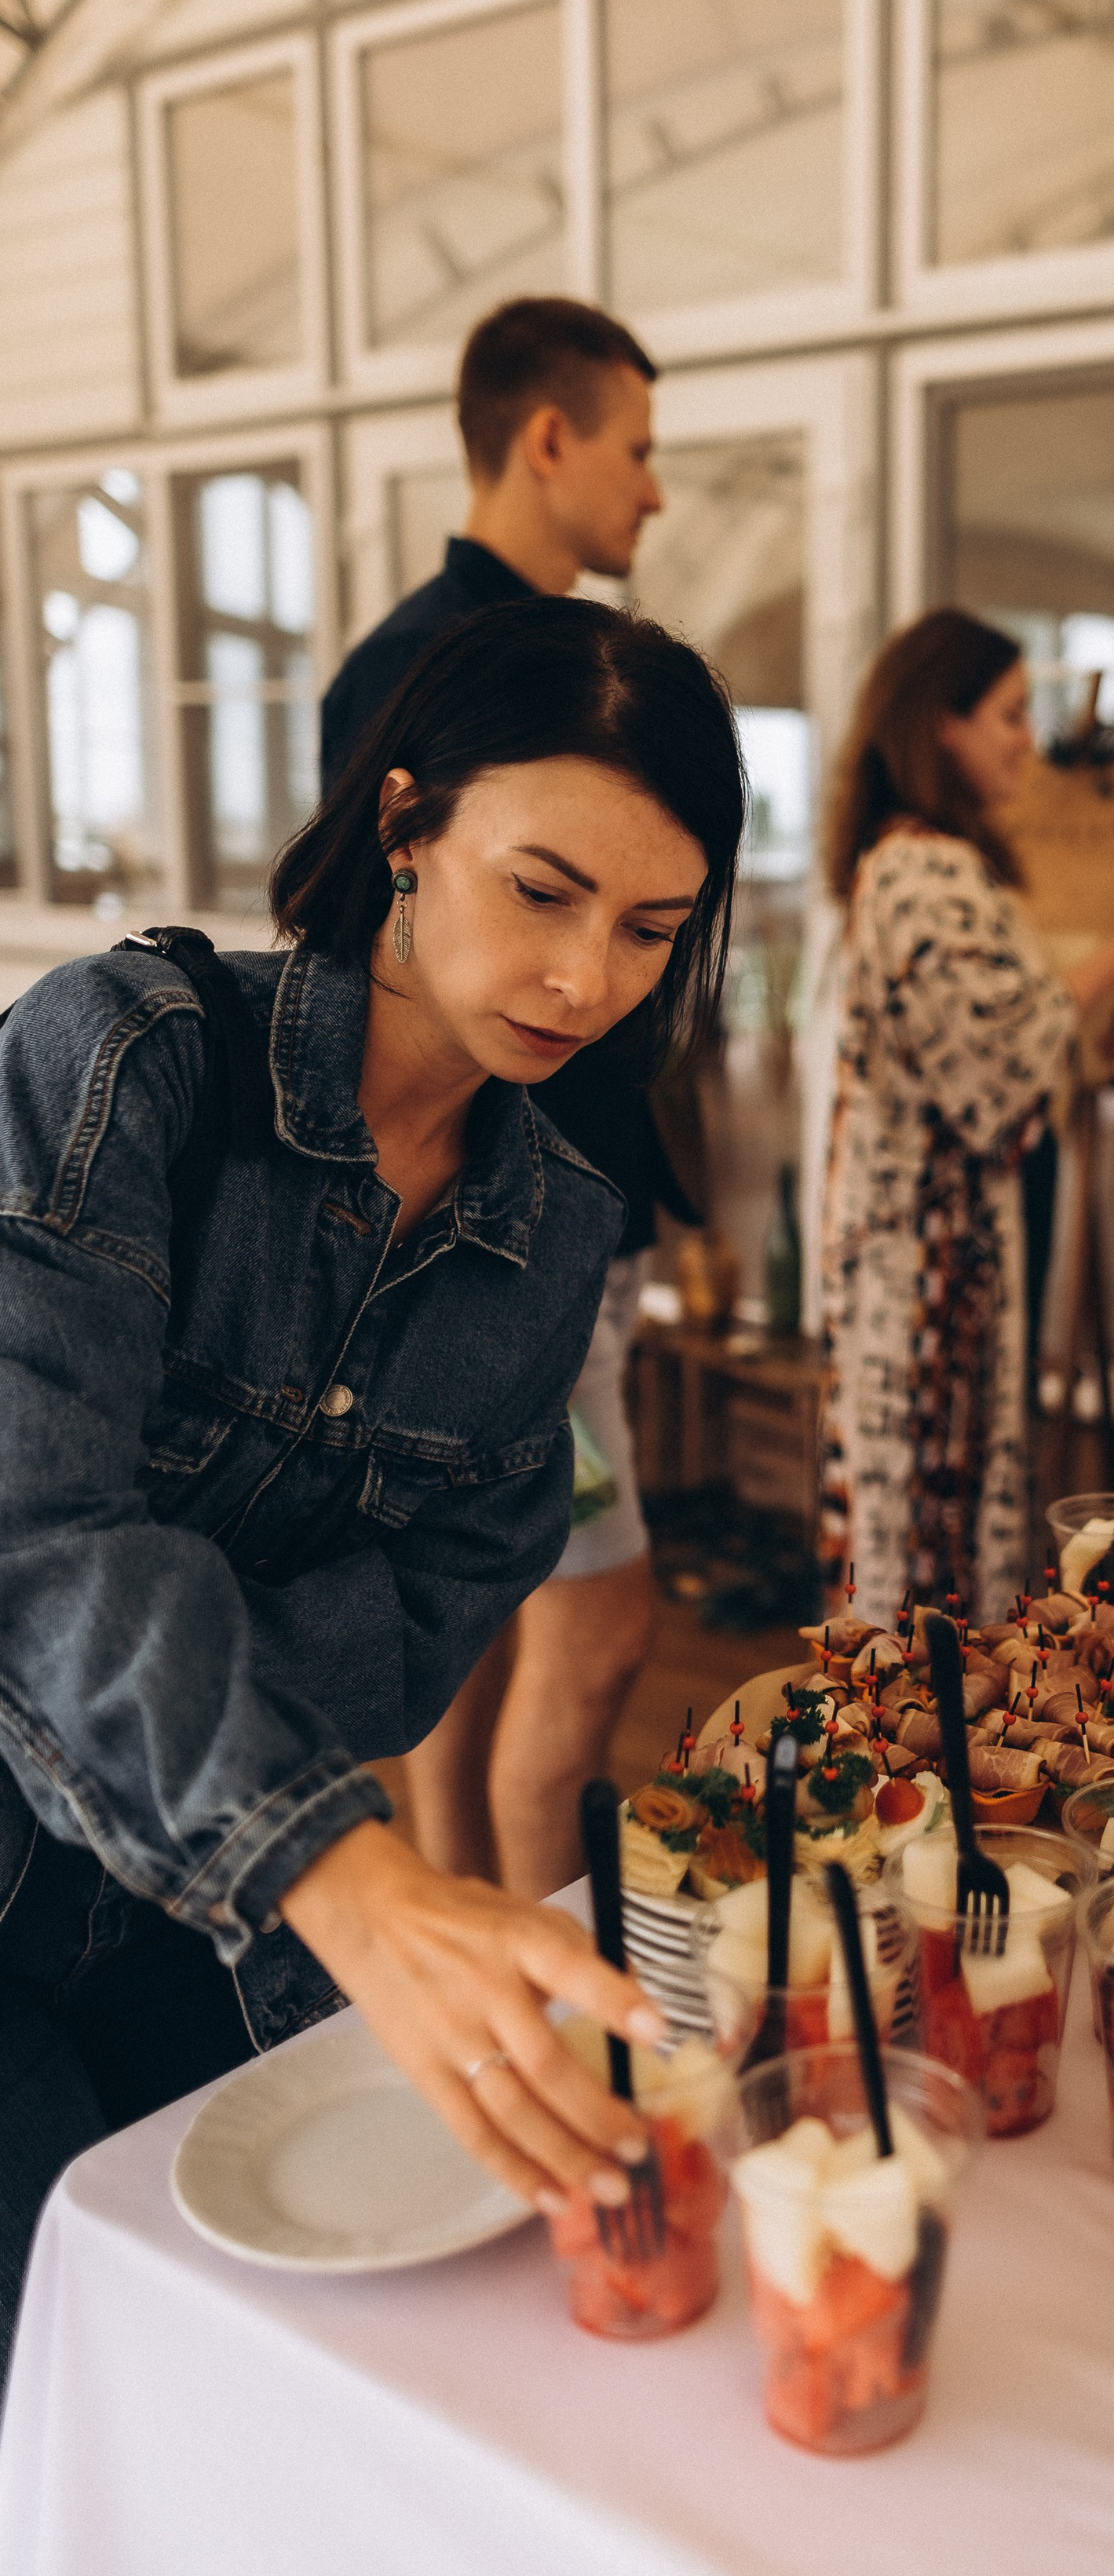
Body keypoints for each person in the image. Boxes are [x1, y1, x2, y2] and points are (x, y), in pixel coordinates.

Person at [0, 597, 744, 2377]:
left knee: (274, 2351)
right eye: (541, 889)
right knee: (61, 2369)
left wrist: (184, 1704)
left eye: (654, 927)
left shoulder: (553, 1227)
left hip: (196, 1904)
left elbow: (438, 1601)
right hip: (195, 1871)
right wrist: (325, 1849)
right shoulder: (128, 1056)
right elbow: (32, 1525)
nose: (590, 978)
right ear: (404, 823)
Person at [323, 297, 685, 1903]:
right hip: (486, 1233)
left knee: (461, 1638)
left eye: (648, 930)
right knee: (589, 1630)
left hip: (529, 1228)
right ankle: (546, 1978)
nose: (586, 979)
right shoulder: (429, 672)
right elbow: (373, 1004)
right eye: (638, 450)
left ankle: (478, 1948)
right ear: (548, 439)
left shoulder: (528, 662)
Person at [820, 609, 1114, 1622]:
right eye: (1010, 714)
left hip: (936, 1262)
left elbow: (983, 1046)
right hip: (924, 1276)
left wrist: (1081, 1039)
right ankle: (924, 1761)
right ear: (943, 723)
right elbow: (990, 1087)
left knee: (939, 1533)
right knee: (925, 1554)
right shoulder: (924, 870)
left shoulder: (928, 861)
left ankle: (943, 1752)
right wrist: (1108, 965)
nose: (1029, 737)